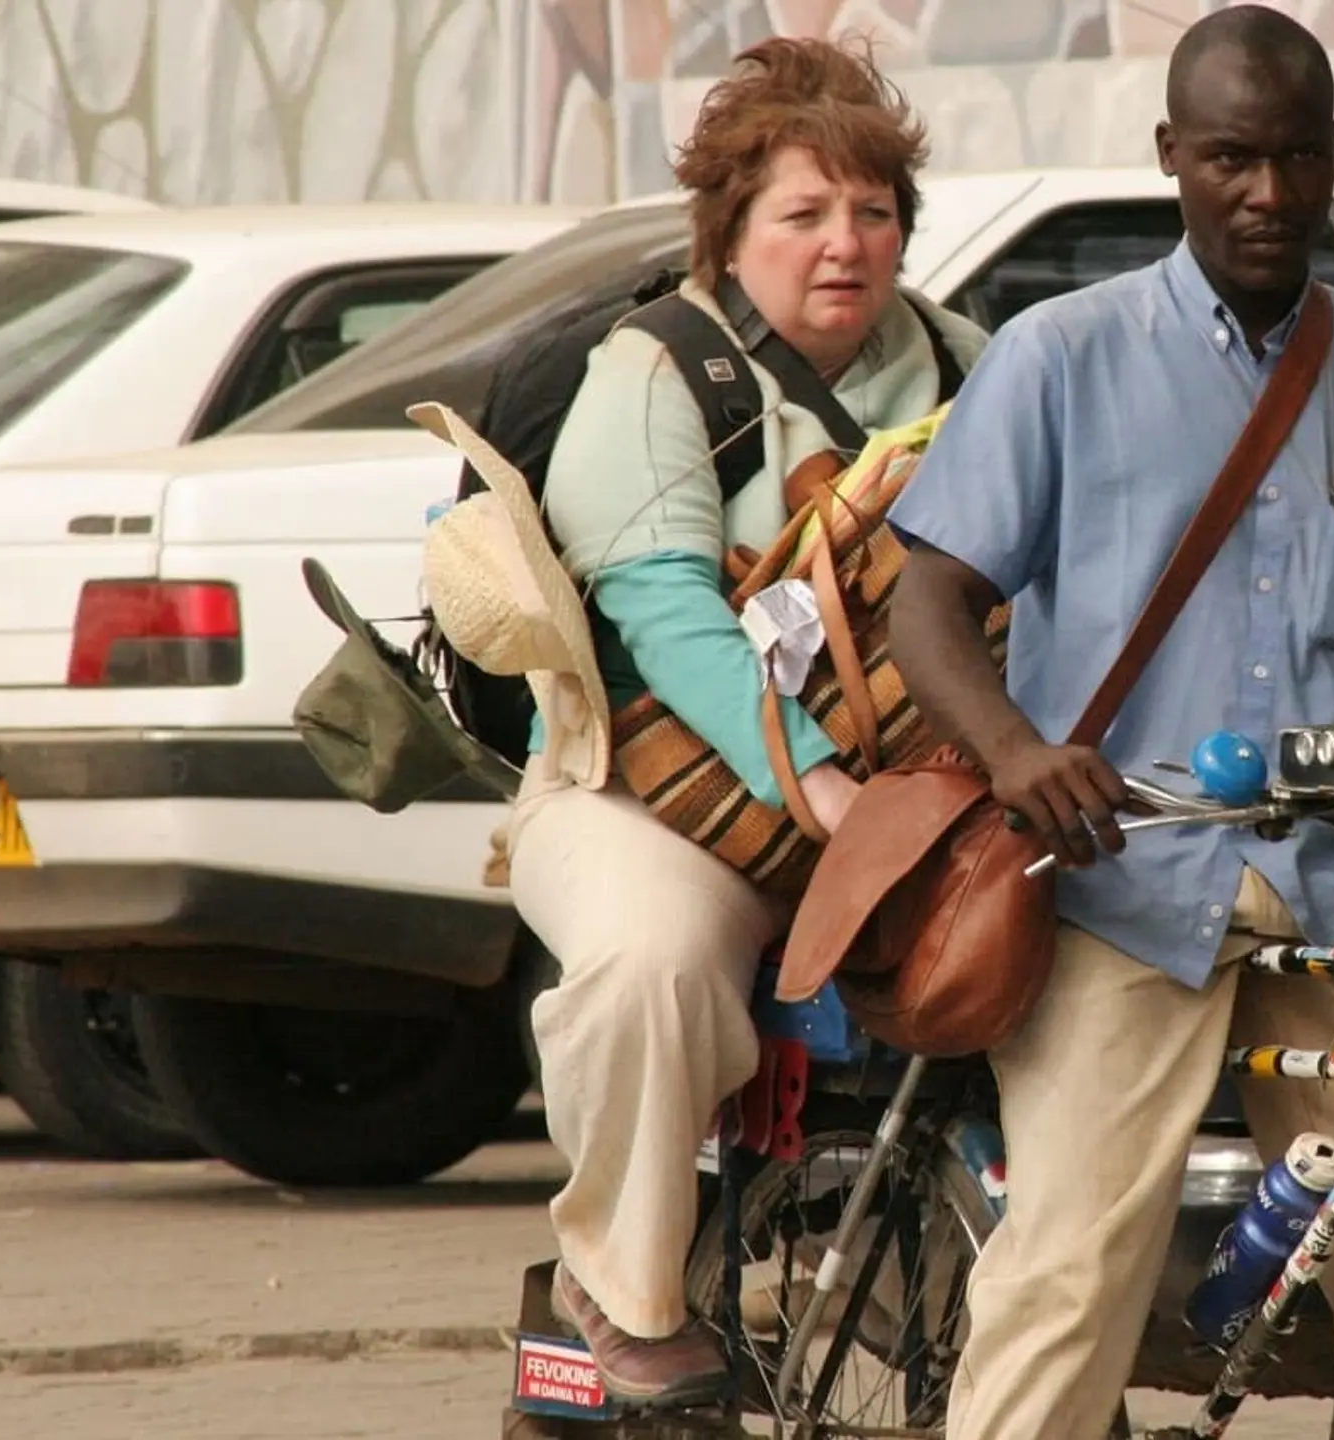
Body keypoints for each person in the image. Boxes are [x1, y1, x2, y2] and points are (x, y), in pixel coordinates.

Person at [884, 8, 1334, 1437]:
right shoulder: (1060, 357)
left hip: (1326, 884)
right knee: (1077, 1270)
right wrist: (1017, 751)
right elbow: (932, 605)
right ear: (1172, 156)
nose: (1267, 195)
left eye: (1295, 158)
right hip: (1120, 875)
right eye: (1231, 158)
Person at [504, 36, 987, 1407]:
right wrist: (824, 790)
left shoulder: (961, 360)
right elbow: (670, 619)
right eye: (805, 214)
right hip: (650, 796)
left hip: (906, 792)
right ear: (733, 229)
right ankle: (622, 1283)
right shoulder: (660, 372)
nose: (848, 243)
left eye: (875, 211)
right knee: (653, 966)